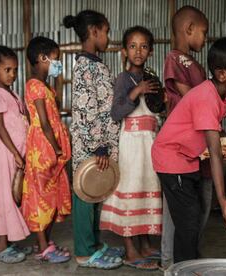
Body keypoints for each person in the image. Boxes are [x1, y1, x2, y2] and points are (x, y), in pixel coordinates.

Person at [152, 37, 226, 262]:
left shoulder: (216, 94)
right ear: (221, 74)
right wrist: (223, 197)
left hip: (186, 159)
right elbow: (215, 152)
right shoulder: (207, 97)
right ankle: (183, 268)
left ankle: (187, 265)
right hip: (171, 158)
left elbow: (214, 137)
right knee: (188, 223)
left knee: (192, 219)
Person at [63, 10, 123, 269]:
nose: (108, 37)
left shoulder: (95, 63)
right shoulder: (85, 66)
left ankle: (95, 243)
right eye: (106, 31)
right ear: (95, 31)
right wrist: (99, 145)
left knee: (96, 194)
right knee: (84, 196)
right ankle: (84, 253)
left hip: (100, 146)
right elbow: (87, 111)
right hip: (91, 147)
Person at [99, 26, 161, 270]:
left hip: (148, 146)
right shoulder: (125, 79)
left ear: (151, 51)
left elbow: (156, 109)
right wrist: (137, 91)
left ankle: (144, 243)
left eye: (143, 46)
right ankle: (130, 250)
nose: (138, 51)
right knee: (130, 192)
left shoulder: (150, 77)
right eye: (133, 46)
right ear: (124, 51)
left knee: (146, 189)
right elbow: (116, 112)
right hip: (131, 147)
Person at [161, 5, 209, 269]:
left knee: (194, 210)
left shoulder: (194, 63)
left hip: (196, 143)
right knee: (178, 212)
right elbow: (190, 97)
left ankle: (189, 259)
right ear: (189, 29)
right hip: (179, 147)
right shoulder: (175, 59)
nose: (205, 39)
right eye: (204, 32)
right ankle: (172, 263)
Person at [21, 36, 71, 264]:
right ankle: (43, 247)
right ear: (42, 58)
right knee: (40, 196)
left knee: (50, 196)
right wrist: (57, 147)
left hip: (48, 145)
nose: (58, 63)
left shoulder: (46, 86)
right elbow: (44, 122)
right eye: (55, 59)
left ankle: (45, 242)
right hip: (43, 147)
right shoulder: (34, 85)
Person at [0, 44, 30, 263]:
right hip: (4, 154)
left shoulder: (12, 94)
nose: (12, 74)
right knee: (5, 197)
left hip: (15, 153)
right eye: (7, 70)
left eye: (14, 70)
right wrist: (15, 153)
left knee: (14, 195)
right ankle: (2, 245)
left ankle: (11, 242)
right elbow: (0, 128)